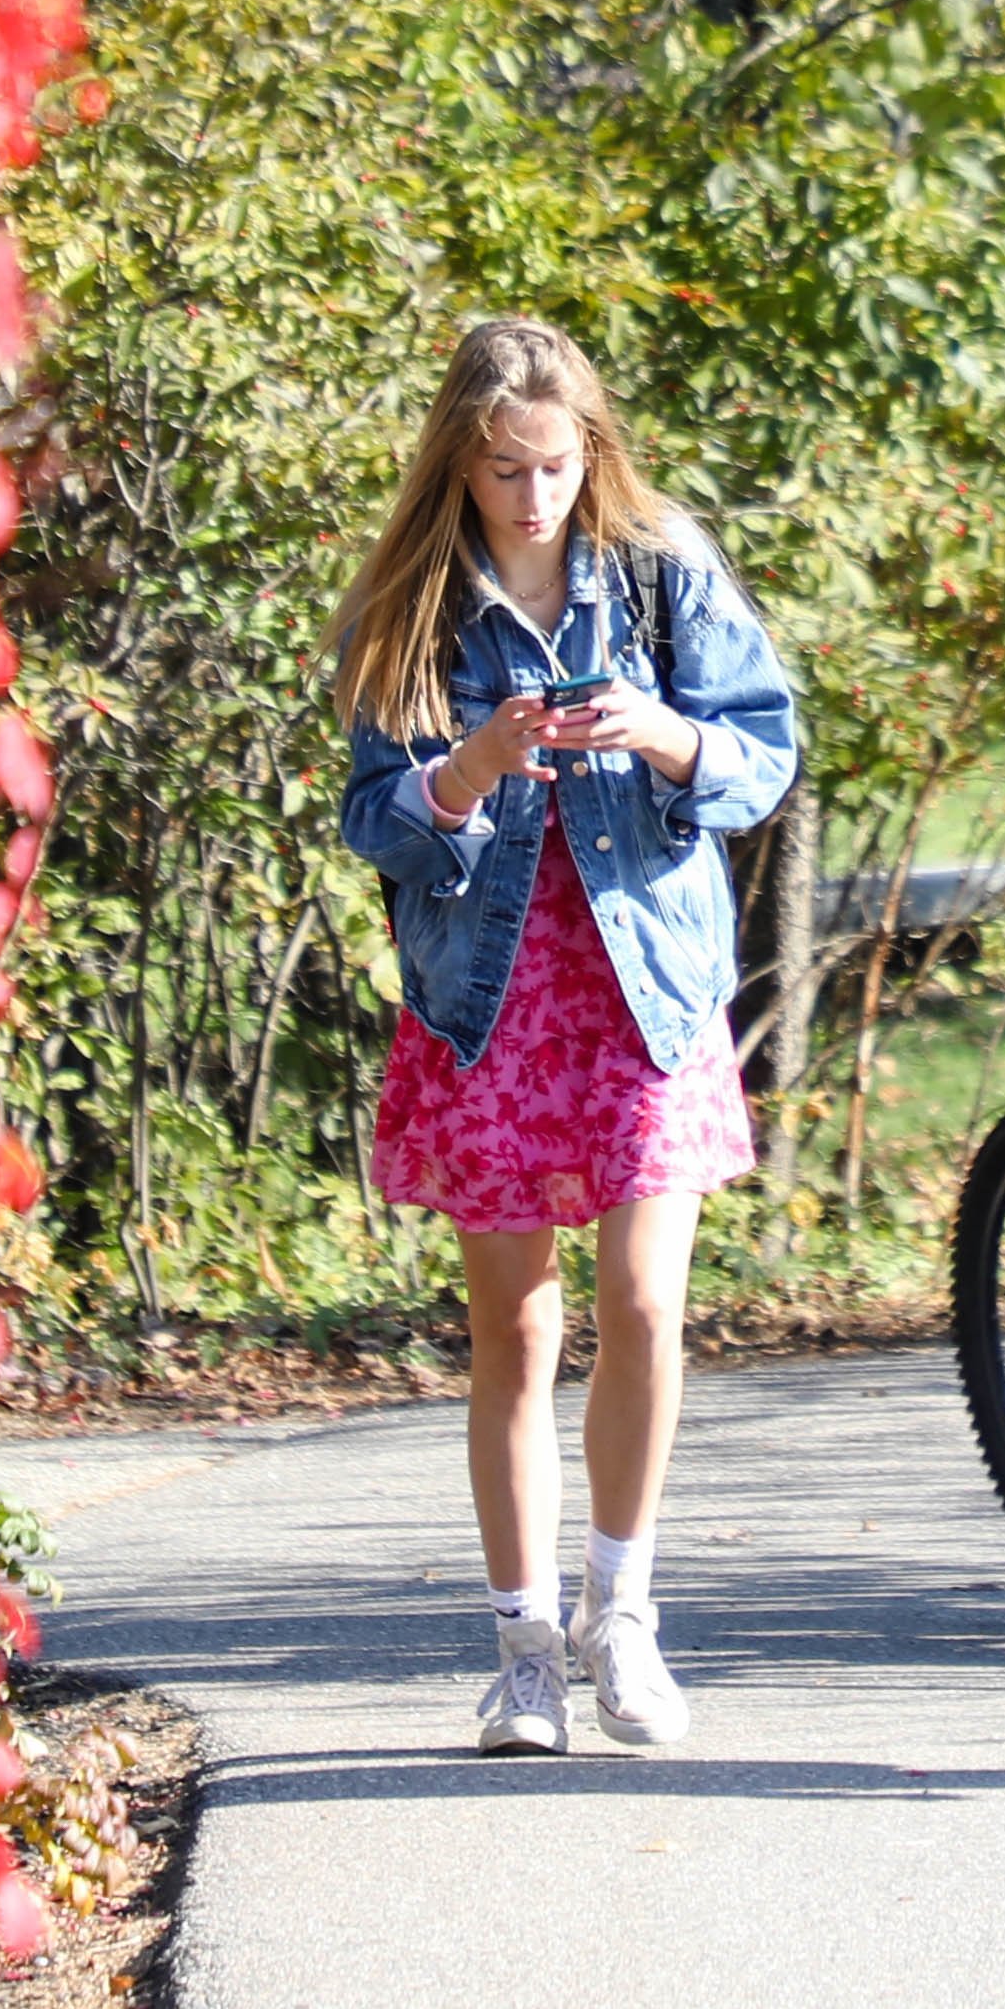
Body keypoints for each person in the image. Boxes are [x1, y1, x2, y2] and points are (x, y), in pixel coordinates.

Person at [331, 320, 805, 1759]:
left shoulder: (659, 566)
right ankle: (523, 1643)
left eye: (552, 464)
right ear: (457, 468)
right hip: (489, 1001)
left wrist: (661, 733)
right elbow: (372, 820)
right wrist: (466, 770)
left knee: (648, 1307)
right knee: (516, 1328)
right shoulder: (408, 608)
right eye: (501, 471)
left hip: (644, 984)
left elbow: (764, 748)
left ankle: (628, 1613)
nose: (532, 496)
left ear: (590, 448)